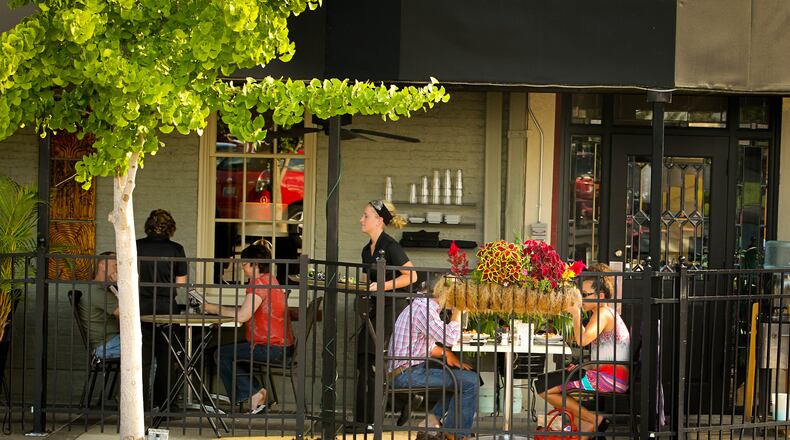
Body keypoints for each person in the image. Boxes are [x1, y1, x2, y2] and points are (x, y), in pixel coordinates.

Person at [535, 263, 631, 439]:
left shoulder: (603, 313)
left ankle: (594, 420)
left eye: (585, 295)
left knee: (543, 387)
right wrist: (584, 366)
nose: (581, 300)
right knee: (544, 382)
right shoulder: (603, 312)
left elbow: (583, 339)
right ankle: (586, 425)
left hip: (610, 378)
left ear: (601, 296)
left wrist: (576, 315)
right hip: (607, 374)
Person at [202, 242, 294, 414]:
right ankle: (255, 393)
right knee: (231, 352)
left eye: (244, 264)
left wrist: (213, 308)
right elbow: (246, 311)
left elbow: (243, 316)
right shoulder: (271, 281)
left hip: (271, 347)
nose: (242, 268)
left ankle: (253, 393)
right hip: (281, 346)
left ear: (255, 264)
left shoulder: (259, 284)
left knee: (221, 354)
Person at [387, 279, 479, 440]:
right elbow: (450, 338)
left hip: (411, 369)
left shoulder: (424, 307)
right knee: (469, 382)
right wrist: (457, 312)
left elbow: (422, 346)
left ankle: (432, 422)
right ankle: (455, 434)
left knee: (468, 376)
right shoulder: (424, 310)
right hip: (404, 374)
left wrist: (447, 354)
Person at [354, 200, 418, 429]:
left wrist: (382, 285)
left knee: (373, 359)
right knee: (364, 358)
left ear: (379, 220)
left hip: (393, 309)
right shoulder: (366, 250)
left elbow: (411, 276)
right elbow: (368, 280)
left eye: (366, 216)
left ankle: (369, 421)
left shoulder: (390, 246)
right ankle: (400, 402)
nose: (361, 220)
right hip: (374, 309)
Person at [137, 209, 189, 410]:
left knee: (141, 357)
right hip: (166, 307)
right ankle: (166, 403)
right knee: (167, 356)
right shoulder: (176, 249)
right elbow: (180, 284)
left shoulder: (137, 246)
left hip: (141, 306)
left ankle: (140, 404)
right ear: (171, 228)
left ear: (149, 226)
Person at [76, 251, 120, 359]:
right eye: (116, 265)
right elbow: (124, 313)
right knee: (150, 349)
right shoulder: (97, 291)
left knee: (149, 346)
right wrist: (121, 284)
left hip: (111, 341)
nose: (119, 269)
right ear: (102, 265)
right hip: (106, 345)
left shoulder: (104, 288)